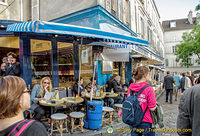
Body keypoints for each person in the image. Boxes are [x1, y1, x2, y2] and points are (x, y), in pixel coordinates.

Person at [127, 66, 156, 136]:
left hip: (133, 120)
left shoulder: (131, 88)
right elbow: (152, 108)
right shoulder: (149, 89)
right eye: (148, 74)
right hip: (146, 121)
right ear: (145, 75)